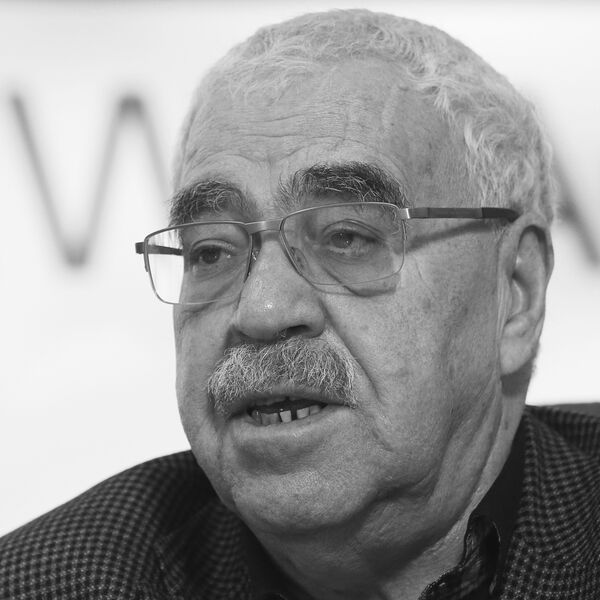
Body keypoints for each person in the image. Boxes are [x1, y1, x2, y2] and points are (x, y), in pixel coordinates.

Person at [2, 9, 600, 600]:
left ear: (516, 292)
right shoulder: (49, 582)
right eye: (211, 251)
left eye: (346, 238)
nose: (261, 311)